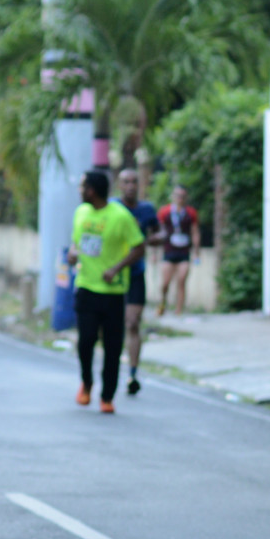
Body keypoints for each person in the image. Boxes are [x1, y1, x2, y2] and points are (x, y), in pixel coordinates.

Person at [67, 170, 143, 413]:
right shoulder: (81, 212)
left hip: (113, 292)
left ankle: (107, 396)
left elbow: (139, 247)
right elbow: (76, 242)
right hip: (86, 287)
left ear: (91, 190)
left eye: (82, 187)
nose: (79, 191)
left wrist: (116, 268)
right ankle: (87, 383)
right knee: (86, 341)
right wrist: (72, 253)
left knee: (112, 346)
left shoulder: (120, 216)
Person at [116, 169, 159, 394]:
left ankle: (132, 374)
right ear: (119, 185)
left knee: (133, 323)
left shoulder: (146, 209)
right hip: (111, 275)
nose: (131, 186)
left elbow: (160, 233)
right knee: (113, 325)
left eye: (134, 182)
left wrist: (146, 241)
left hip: (134, 273)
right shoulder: (112, 208)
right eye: (126, 182)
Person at [156, 185, 199, 316]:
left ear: (186, 197)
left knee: (181, 280)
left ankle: (179, 310)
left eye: (183, 196)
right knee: (165, 283)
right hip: (169, 251)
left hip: (184, 252)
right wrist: (154, 252)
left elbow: (195, 232)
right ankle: (162, 304)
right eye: (178, 195)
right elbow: (158, 232)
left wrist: (197, 252)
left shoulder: (191, 212)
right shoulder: (164, 211)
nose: (180, 198)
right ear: (173, 196)